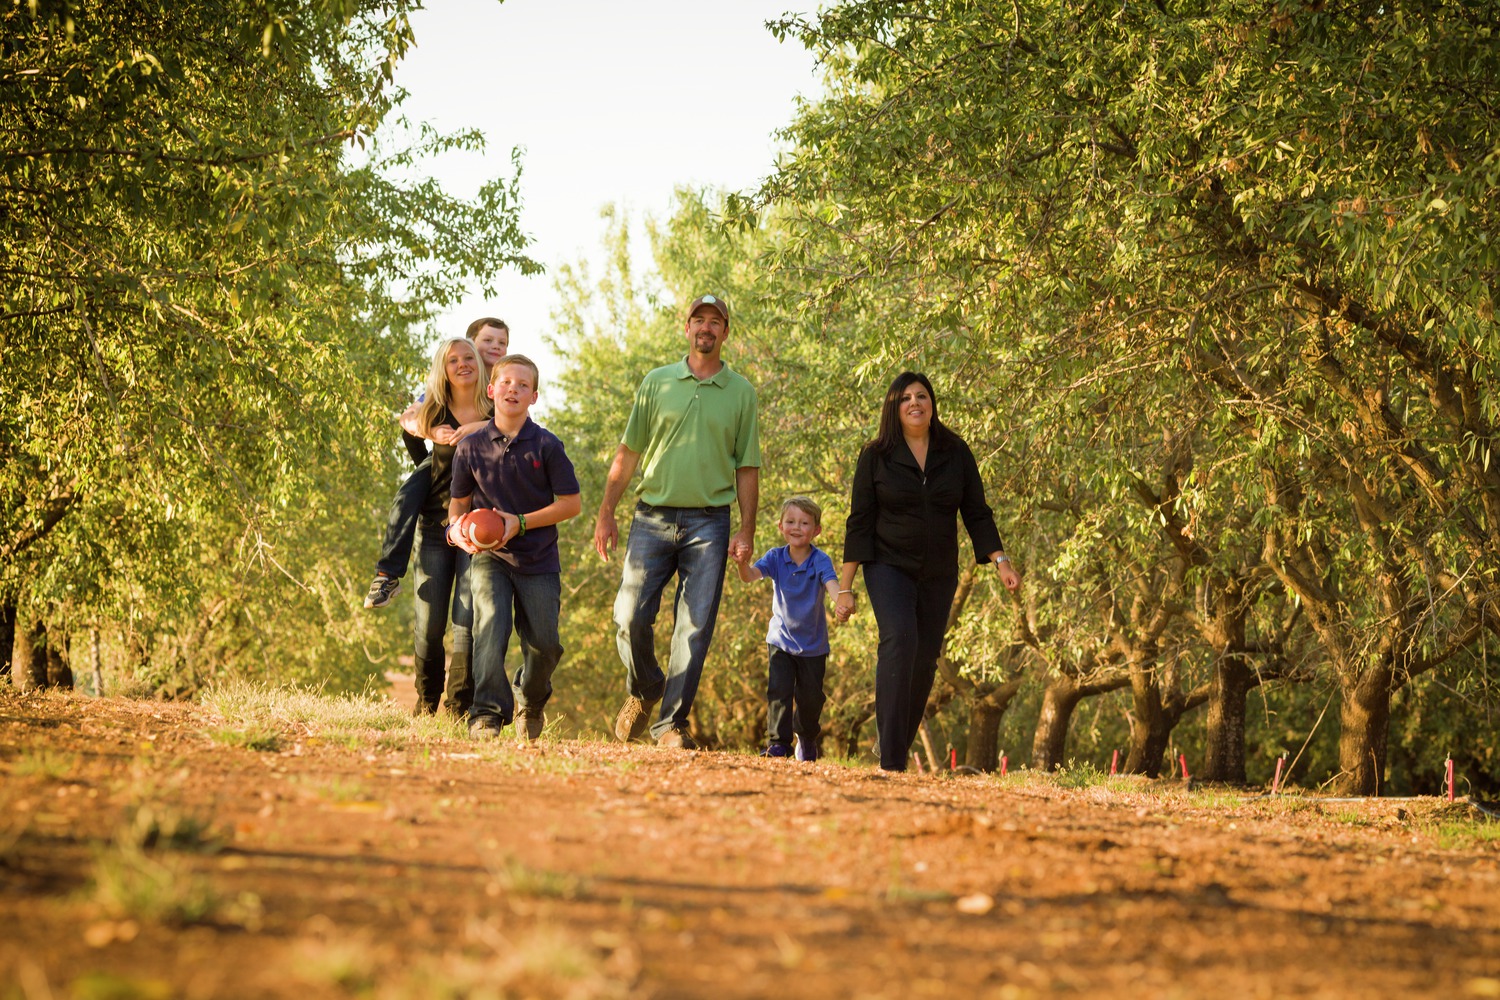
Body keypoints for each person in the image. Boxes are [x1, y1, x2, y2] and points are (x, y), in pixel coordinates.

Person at [594, 294, 760, 749]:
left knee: (695, 626)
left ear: (726, 332)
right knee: (628, 616)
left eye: (715, 321)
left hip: (711, 523)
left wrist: (747, 528)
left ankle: (670, 724)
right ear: (685, 328)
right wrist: (606, 511)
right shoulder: (657, 382)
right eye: (698, 320)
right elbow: (628, 453)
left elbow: (747, 467)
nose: (706, 327)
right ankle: (647, 686)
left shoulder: (741, 392)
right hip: (652, 516)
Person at [834, 372, 1021, 772]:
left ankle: (894, 744)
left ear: (932, 403)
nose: (915, 403)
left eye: (922, 396)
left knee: (925, 658)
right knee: (899, 639)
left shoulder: (955, 451)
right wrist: (844, 587)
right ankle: (892, 760)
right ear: (893, 408)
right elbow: (859, 521)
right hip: (888, 565)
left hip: (938, 571)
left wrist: (1001, 561)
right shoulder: (876, 454)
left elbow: (976, 512)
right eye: (905, 398)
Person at [448, 355, 581, 742]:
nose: (513, 389)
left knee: (545, 644)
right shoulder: (470, 447)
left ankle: (531, 699)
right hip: (489, 558)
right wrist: (458, 532)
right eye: (506, 382)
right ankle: (486, 714)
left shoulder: (547, 445)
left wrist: (519, 522)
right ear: (491, 391)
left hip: (538, 559)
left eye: (523, 385)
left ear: (534, 396)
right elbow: (458, 506)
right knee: (489, 628)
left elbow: (571, 504)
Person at [364, 318, 510, 608]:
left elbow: (516, 427)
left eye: (502, 342)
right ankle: (387, 574)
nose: (495, 347)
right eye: (487, 341)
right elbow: (409, 418)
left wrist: (481, 426)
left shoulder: (505, 384)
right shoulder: (450, 382)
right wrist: (431, 435)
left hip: (486, 478)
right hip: (443, 462)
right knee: (407, 495)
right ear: (471, 343)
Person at [406, 336, 493, 717]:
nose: (462, 364)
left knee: (466, 622)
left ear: (479, 362)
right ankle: (426, 703)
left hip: (478, 532)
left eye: (468, 357)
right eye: (453, 360)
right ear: (444, 369)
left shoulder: (496, 409)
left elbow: (518, 440)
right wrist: (430, 434)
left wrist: (482, 428)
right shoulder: (435, 412)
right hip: (435, 528)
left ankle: (459, 708)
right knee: (428, 623)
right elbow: (411, 442)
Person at [733, 496, 839, 762]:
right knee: (779, 692)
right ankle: (778, 743)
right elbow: (750, 577)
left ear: (816, 530)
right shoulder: (775, 557)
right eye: (791, 521)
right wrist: (741, 564)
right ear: (781, 526)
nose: (796, 527)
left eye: (804, 523)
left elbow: (832, 585)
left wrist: (842, 602)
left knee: (810, 700)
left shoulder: (820, 560)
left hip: (813, 646)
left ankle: (806, 737)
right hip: (780, 640)